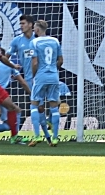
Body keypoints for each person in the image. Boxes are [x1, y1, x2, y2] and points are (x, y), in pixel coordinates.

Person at [30, 19, 64, 147]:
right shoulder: (55, 41)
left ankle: (37, 135)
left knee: (34, 105)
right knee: (54, 107)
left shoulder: (34, 42)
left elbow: (34, 62)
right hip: (54, 76)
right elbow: (61, 60)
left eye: (34, 28)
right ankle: (55, 138)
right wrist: (54, 69)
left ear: (37, 29)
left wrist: (34, 75)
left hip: (41, 76)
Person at [9, 15, 42, 143]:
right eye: (20, 23)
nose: (21, 26)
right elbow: (5, 57)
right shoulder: (17, 41)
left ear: (30, 25)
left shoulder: (39, 40)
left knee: (44, 105)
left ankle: (45, 134)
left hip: (42, 78)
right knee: (35, 106)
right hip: (29, 79)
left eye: (23, 23)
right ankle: (39, 135)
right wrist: (12, 68)